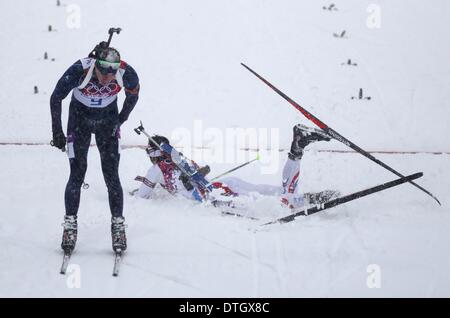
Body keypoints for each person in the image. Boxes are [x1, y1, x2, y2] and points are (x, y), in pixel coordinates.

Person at [50, 44, 140, 254]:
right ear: (95, 65)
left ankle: (118, 225)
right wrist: (57, 132)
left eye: (112, 74)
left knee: (111, 175)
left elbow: (133, 95)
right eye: (103, 73)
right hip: (79, 122)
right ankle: (70, 224)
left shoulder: (127, 72)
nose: (107, 78)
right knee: (77, 174)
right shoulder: (80, 70)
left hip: (107, 124)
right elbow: (56, 97)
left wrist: (120, 119)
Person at [134, 124, 337, 208]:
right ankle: (297, 149)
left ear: (154, 154)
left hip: (217, 195)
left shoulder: (155, 170)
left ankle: (302, 199)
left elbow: (141, 197)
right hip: (222, 185)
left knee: (276, 204)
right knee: (278, 193)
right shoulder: (179, 158)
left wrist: (142, 188)